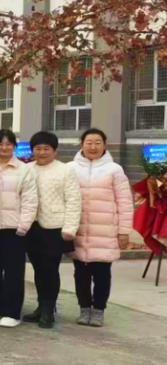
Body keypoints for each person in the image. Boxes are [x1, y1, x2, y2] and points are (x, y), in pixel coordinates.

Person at [70, 128, 134, 328]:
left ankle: (98, 310)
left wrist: (124, 231)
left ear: (104, 145)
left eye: (98, 142)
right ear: (81, 144)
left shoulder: (114, 170)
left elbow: (125, 202)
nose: (93, 147)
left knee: (102, 275)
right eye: (89, 142)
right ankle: (84, 308)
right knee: (80, 275)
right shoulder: (70, 168)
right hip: (78, 231)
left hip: (105, 232)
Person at [23, 131, 81, 329]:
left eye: (46, 148)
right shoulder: (26, 169)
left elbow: (73, 201)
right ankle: (41, 307)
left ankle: (49, 310)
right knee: (38, 269)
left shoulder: (65, 170)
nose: (42, 152)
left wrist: (70, 228)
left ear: (54, 151)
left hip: (55, 227)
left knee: (50, 269)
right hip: (32, 226)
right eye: (37, 148)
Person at [0, 129, 38, 328]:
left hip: (14, 229)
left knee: (14, 272)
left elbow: (30, 200)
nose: (4, 147)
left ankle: (12, 312)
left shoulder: (24, 170)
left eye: (8, 144)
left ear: (14, 146)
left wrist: (24, 226)